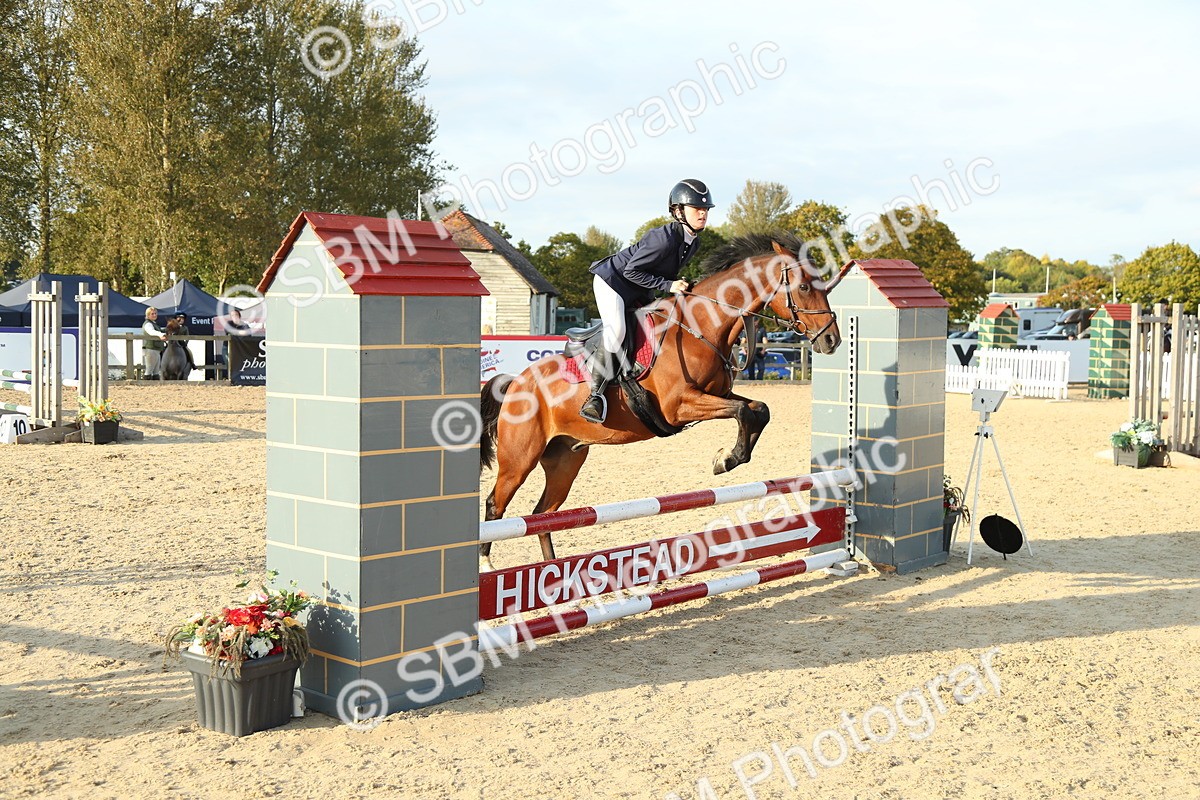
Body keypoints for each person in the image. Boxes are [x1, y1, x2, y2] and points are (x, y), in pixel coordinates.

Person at [580, 178, 714, 423]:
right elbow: (632, 271)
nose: (702, 214)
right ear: (678, 211)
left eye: (705, 210)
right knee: (618, 329)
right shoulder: (663, 238)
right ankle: (594, 396)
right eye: (697, 209)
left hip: (638, 290)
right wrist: (668, 285)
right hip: (613, 282)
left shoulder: (693, 242)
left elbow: (660, 273)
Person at [142, 307, 166, 379]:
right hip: (151, 348)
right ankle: (145, 386)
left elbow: (160, 330)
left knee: (156, 370)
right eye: (152, 314)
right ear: (148, 315)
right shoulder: (148, 324)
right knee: (149, 370)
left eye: (155, 313)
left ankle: (155, 387)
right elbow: (151, 332)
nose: (154, 315)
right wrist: (161, 335)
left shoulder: (154, 323)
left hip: (156, 348)